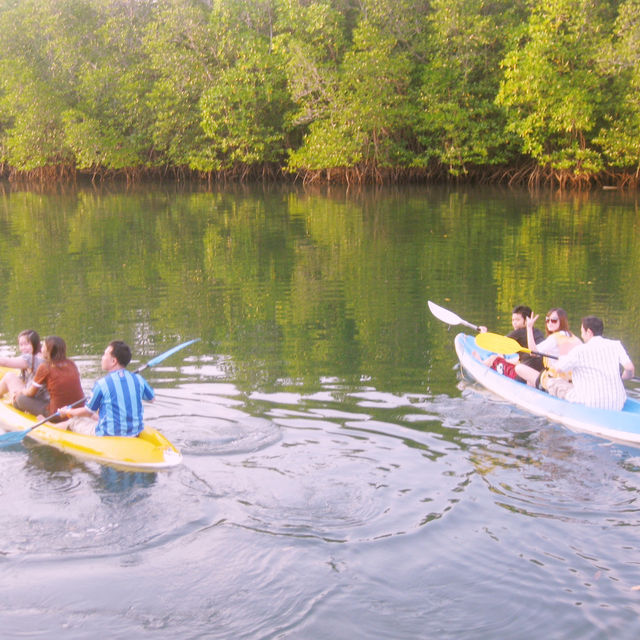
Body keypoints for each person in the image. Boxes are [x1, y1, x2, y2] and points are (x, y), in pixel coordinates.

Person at [61, 341, 154, 437]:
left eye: (105, 355)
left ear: (114, 361)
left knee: (74, 421)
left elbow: (87, 411)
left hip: (108, 434)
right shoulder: (138, 379)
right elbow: (151, 399)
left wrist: (67, 411)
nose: (102, 358)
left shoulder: (102, 384)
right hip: (134, 433)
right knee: (97, 413)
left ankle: (51, 428)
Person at [550, 316, 635, 410]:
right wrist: (622, 377)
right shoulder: (616, 345)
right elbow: (629, 368)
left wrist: (561, 359)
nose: (581, 335)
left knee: (554, 382)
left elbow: (558, 369)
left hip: (589, 404)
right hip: (617, 404)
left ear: (589, 332)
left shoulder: (579, 350)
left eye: (582, 332)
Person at [16, 335, 84, 421]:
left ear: (49, 350)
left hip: (56, 414)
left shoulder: (45, 367)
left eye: (43, 346)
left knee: (20, 399)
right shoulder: (71, 363)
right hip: (78, 411)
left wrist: (21, 391)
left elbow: (31, 393)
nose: (41, 348)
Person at [514, 308, 582, 388]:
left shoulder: (554, 338)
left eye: (554, 320)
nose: (549, 323)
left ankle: (540, 388)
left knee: (519, 368)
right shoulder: (575, 338)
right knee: (532, 379)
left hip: (555, 380)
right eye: (547, 320)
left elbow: (533, 352)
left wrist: (529, 328)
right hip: (572, 379)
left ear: (562, 321)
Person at [480, 305, 545, 379]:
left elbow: (498, 342)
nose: (514, 323)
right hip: (537, 373)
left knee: (493, 358)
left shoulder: (519, 332)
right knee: (516, 359)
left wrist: (484, 333)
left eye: (517, 320)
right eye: (513, 320)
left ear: (526, 321)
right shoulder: (538, 332)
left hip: (521, 376)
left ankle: (480, 364)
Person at [0, 330, 49, 406]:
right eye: (21, 345)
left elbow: (4, 362)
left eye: (26, 344)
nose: (23, 348)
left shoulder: (32, 359)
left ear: (35, 344)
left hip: (35, 400)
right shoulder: (42, 356)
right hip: (39, 397)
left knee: (9, 376)